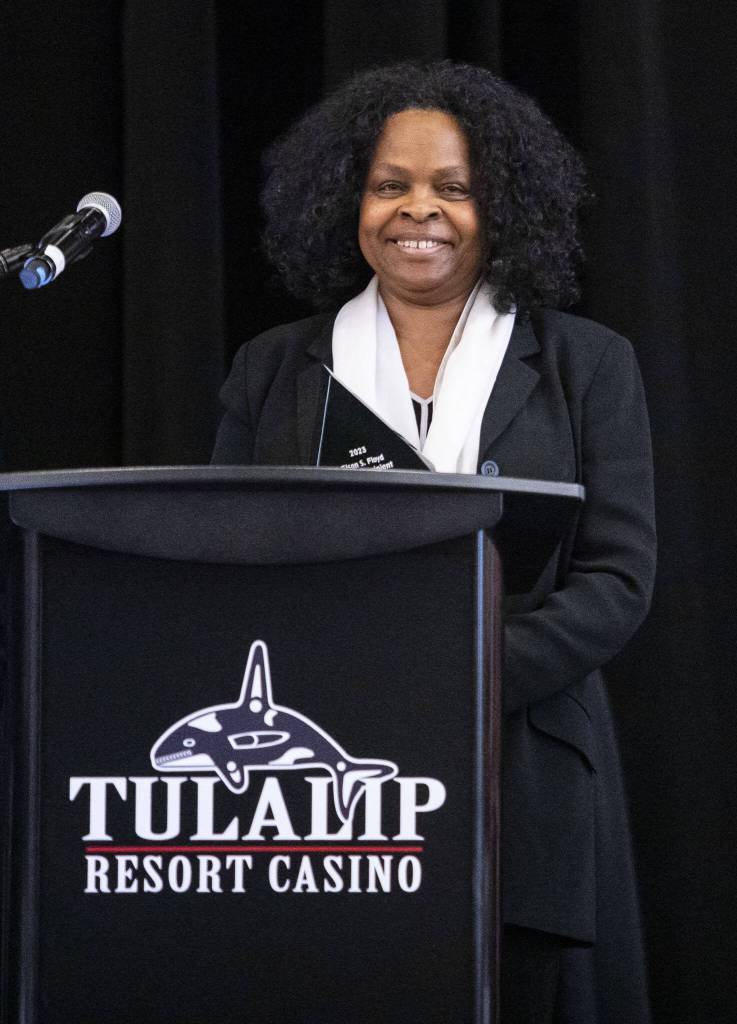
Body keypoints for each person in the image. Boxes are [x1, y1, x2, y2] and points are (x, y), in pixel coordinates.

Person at [212, 61, 656, 1024]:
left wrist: (455, 675)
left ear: (502, 209)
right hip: (321, 791)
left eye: (454, 187)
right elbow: (231, 569)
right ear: (347, 202)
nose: (420, 209)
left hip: (521, 766)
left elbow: (616, 581)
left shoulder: (587, 364)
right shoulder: (271, 370)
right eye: (390, 185)